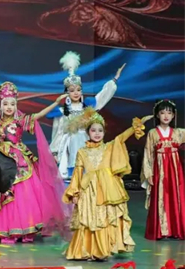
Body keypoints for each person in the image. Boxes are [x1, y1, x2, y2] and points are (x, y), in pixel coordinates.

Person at [0, 82, 68, 243]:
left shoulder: (20, 120)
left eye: (12, 104)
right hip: (0, 160)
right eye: (6, 104)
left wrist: (55, 103)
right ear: (0, 105)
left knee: (23, 195)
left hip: (19, 160)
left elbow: (38, 115)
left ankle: (22, 229)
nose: (9, 107)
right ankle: (1, 228)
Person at [63, 108, 149, 260]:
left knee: (106, 217)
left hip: (107, 188)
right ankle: (86, 250)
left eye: (100, 130)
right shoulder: (82, 152)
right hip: (89, 189)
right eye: (93, 130)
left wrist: (135, 126)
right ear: (88, 132)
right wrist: (74, 192)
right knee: (90, 218)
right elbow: (77, 172)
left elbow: (121, 138)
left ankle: (104, 250)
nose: (97, 133)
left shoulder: (109, 147)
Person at [47, 51, 124, 182]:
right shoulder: (62, 111)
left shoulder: (88, 106)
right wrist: (54, 152)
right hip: (69, 146)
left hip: (86, 142)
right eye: (72, 90)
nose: (76, 93)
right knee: (71, 177)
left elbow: (103, 96)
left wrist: (114, 79)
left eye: (78, 90)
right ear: (67, 93)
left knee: (88, 177)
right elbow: (58, 132)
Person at [142, 99, 185, 240]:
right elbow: (148, 153)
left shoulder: (178, 132)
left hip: (175, 171)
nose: (166, 116)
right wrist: (148, 173)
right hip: (159, 170)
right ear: (157, 115)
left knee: (176, 197)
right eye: (162, 113)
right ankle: (162, 231)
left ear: (173, 115)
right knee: (161, 197)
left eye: (169, 113)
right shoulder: (152, 133)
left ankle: (176, 229)